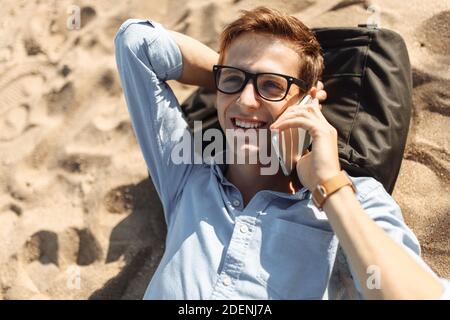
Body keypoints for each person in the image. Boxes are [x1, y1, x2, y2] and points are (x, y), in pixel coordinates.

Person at [114, 6, 449, 299]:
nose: (245, 101)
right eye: (232, 81)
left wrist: (329, 187)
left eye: (272, 85)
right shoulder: (186, 174)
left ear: (310, 98)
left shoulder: (357, 200)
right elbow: (136, 43)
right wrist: (229, 75)